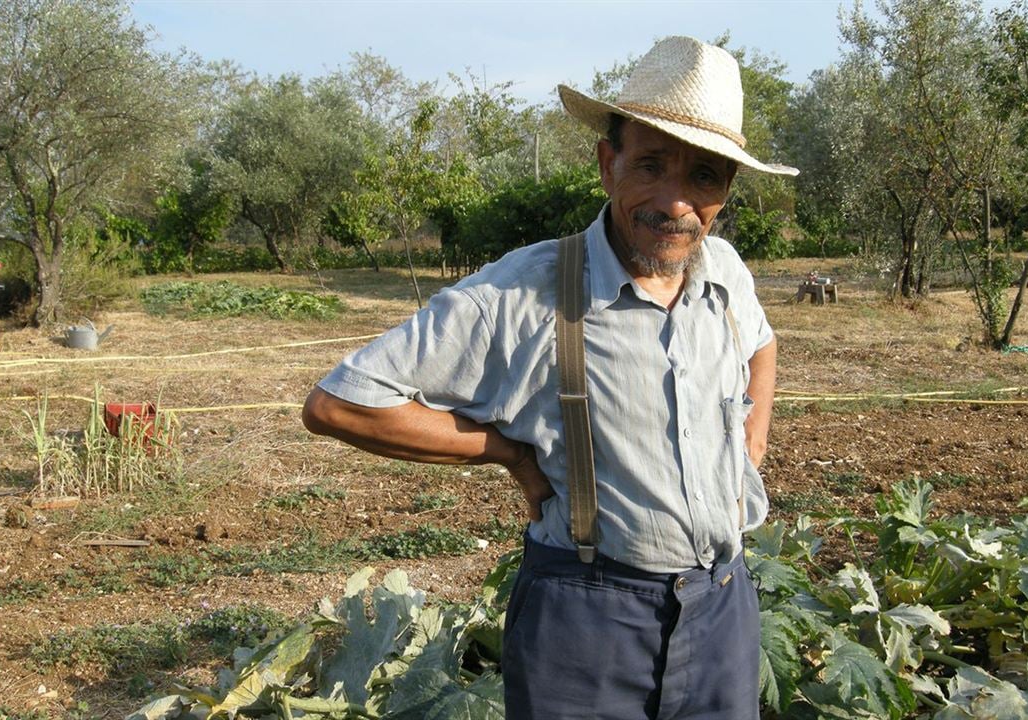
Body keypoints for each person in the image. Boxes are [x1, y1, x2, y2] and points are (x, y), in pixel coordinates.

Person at [303, 35, 797, 720]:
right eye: (651, 165)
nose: (675, 202)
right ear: (607, 163)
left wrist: (753, 444)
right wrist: (506, 450)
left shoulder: (725, 274)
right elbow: (340, 403)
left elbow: (762, 348)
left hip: (722, 609)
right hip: (589, 622)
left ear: (725, 191)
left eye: (705, 177)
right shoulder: (522, 294)